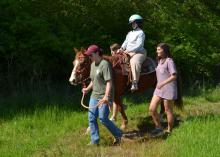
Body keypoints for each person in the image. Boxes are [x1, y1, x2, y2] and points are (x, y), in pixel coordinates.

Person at [82, 44, 122, 145]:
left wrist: (106, 97)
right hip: (94, 95)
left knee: (103, 119)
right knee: (91, 118)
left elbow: (109, 82)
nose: (89, 57)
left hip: (104, 95)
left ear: (97, 53)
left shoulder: (105, 64)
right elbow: (93, 80)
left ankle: (118, 135)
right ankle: (94, 140)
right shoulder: (92, 65)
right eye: (88, 55)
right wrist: (87, 89)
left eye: (90, 55)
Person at [149, 43, 179, 136]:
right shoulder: (160, 60)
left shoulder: (169, 61)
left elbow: (174, 76)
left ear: (164, 50)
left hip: (169, 89)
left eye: (158, 49)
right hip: (159, 90)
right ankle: (159, 127)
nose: (156, 51)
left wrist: (162, 83)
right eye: (157, 49)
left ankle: (169, 131)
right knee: (152, 108)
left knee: (168, 111)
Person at [117, 14, 147, 92]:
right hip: (128, 52)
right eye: (132, 23)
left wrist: (128, 50)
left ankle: (135, 83)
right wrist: (121, 49)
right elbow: (125, 42)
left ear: (138, 23)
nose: (132, 25)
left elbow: (139, 45)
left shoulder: (141, 33)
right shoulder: (130, 33)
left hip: (139, 52)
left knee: (134, 62)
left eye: (134, 23)